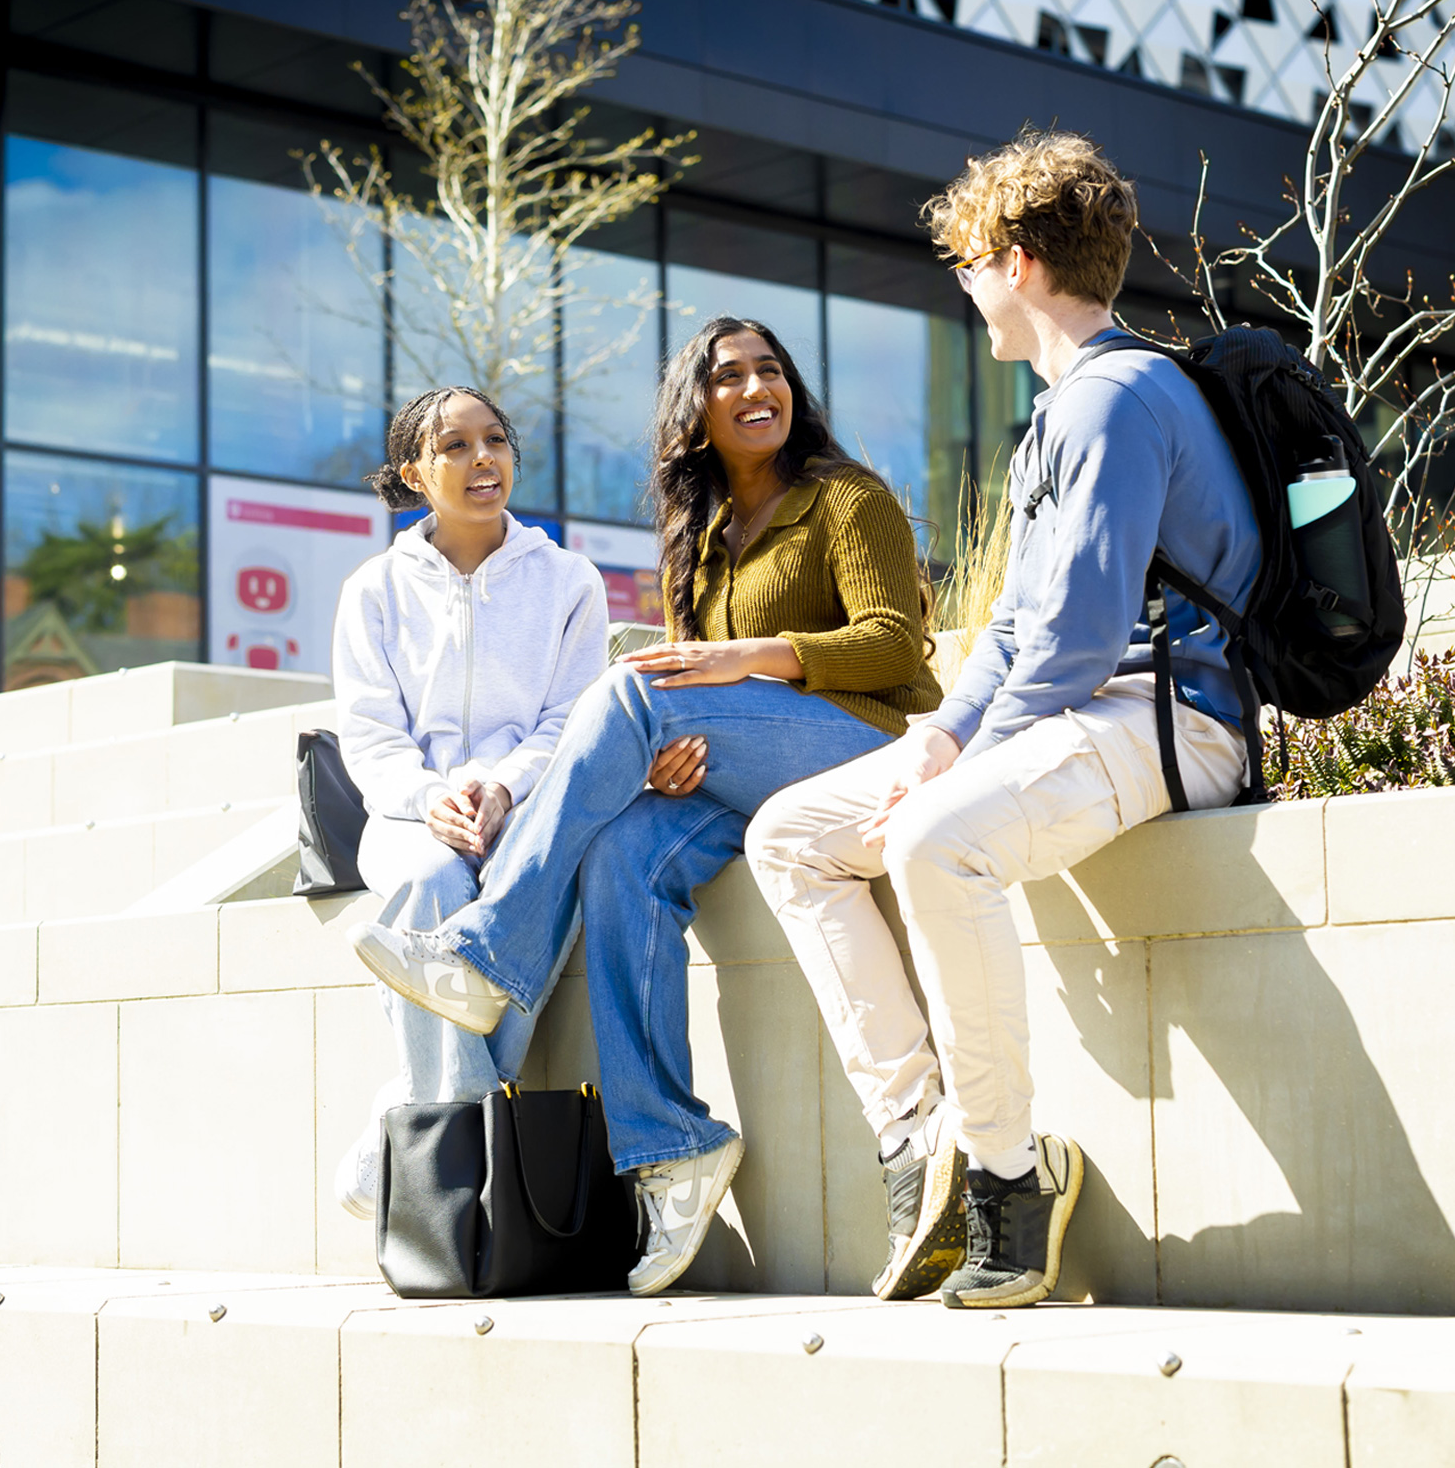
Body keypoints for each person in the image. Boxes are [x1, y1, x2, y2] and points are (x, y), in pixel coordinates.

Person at [745, 129, 1261, 1311]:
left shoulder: (1115, 399)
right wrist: (937, 736)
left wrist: (952, 761)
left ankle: (1009, 1182)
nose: (966, 286)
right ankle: (920, 1137)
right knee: (791, 835)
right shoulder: (1063, 413)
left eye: (970, 262)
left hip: (1165, 716)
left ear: (1018, 262)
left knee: (936, 839)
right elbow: (1021, 634)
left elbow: (1077, 644)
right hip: (1082, 710)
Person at [350, 317, 941, 1295]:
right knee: (622, 848)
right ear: (694, 408)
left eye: (771, 370)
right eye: (728, 375)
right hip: (753, 766)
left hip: (863, 743)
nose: (757, 386)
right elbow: (693, 694)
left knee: (627, 689)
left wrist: (746, 659)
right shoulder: (697, 534)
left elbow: (894, 645)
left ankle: (489, 948)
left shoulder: (849, 496)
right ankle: (672, 1150)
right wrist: (675, 756)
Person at [331, 385, 609, 1221]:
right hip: (408, 822)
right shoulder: (373, 590)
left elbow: (573, 717)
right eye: (454, 446)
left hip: (525, 812)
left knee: (537, 877)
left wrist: (504, 784)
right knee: (432, 887)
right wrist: (434, 797)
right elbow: (370, 738)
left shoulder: (568, 581)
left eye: (495, 440)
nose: (482, 459)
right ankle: (467, 1131)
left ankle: (407, 1136)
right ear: (414, 471)